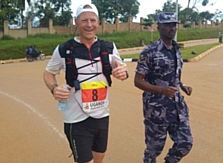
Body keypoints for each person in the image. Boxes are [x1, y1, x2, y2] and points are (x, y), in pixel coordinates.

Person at [43, 3, 128, 163]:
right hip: (76, 119)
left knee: (99, 159)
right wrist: (54, 88)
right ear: (76, 22)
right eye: (84, 21)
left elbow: (122, 69)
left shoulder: (108, 47)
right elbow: (48, 73)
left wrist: (123, 73)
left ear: (98, 22)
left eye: (93, 20)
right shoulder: (64, 50)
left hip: (102, 116)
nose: (89, 25)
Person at [134, 12, 193, 163]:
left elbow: (172, 75)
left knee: (185, 142)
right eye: (167, 25)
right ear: (158, 27)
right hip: (156, 110)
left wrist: (182, 85)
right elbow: (138, 81)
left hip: (177, 106)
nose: (171, 28)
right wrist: (161, 90)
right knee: (154, 150)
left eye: (174, 25)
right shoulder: (149, 52)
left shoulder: (176, 49)